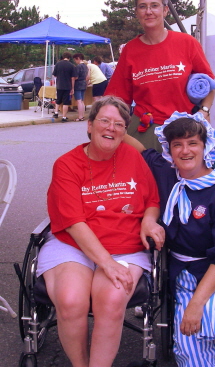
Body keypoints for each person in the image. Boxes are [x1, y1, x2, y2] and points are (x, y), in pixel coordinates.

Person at [125, 111, 215, 367]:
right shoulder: (168, 173)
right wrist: (112, 128)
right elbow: (142, 149)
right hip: (185, 271)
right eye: (177, 144)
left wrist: (196, 304)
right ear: (169, 148)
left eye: (192, 143)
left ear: (206, 146)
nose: (185, 151)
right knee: (189, 353)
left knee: (212, 312)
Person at [36, 96, 164, 367]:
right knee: (70, 301)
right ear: (90, 126)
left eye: (119, 124)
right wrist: (106, 262)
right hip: (73, 243)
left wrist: (149, 221)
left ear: (124, 132)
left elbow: (152, 200)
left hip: (124, 242)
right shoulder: (67, 164)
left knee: (112, 297)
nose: (111, 128)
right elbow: (73, 222)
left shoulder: (133, 157)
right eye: (104, 121)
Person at [105, 0, 215, 151]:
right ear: (137, 12)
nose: (148, 11)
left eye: (154, 5)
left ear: (165, 10)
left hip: (184, 130)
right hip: (145, 131)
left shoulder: (187, 43)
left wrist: (204, 111)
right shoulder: (130, 50)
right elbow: (118, 99)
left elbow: (210, 84)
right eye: (143, 6)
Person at [52, 51, 77, 122]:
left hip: (59, 85)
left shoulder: (58, 64)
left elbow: (55, 75)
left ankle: (56, 112)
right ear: (69, 58)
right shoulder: (71, 65)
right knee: (66, 102)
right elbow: (73, 78)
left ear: (63, 57)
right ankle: (64, 117)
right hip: (67, 86)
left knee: (58, 100)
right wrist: (72, 88)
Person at [72, 53, 89, 121]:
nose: (75, 61)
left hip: (78, 84)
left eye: (75, 60)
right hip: (84, 83)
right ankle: (82, 115)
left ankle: (80, 116)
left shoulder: (78, 67)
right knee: (82, 101)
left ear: (78, 58)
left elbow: (76, 77)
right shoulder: (85, 66)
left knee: (78, 101)